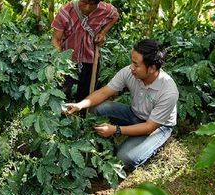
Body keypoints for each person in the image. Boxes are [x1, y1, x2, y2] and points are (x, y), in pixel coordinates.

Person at [65, 39, 178, 169]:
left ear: (152, 68)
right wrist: (80, 105)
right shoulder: (129, 72)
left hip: (158, 127)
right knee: (98, 107)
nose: (131, 67)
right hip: (134, 114)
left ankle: (154, 144)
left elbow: (149, 127)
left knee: (125, 159)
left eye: (136, 65)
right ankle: (104, 145)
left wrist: (115, 130)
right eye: (132, 62)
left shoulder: (168, 91)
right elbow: (103, 92)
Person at [51, 0, 118, 102]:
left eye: (92, 4)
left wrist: (102, 33)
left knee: (86, 93)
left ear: (98, 2)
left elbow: (115, 15)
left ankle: (82, 118)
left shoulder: (105, 9)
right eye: (84, 2)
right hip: (68, 60)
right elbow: (56, 39)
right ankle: (61, 118)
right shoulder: (66, 12)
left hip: (90, 58)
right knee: (62, 93)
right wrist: (60, 61)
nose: (87, 8)